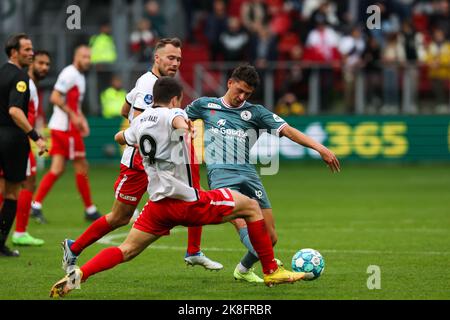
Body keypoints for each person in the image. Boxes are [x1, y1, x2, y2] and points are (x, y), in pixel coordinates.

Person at [49, 77, 305, 297]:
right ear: (174, 99)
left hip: (158, 205)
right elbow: (178, 122)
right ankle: (271, 270)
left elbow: (120, 137)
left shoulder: (139, 121)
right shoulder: (175, 114)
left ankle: (79, 274)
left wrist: (135, 140)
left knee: (126, 249)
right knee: (250, 206)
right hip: (187, 203)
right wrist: (186, 129)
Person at [59, 38, 221, 274]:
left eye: (179, 59)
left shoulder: (158, 84)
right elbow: (138, 119)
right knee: (119, 216)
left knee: (192, 189)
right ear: (157, 58)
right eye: (170, 58)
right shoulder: (148, 84)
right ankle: (74, 247)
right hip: (139, 161)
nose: (175, 63)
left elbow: (125, 109)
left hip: (160, 158)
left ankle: (193, 250)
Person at [183, 64, 340, 283]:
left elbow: (288, 131)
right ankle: (272, 265)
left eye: (247, 93)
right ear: (230, 83)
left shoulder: (255, 112)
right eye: (239, 90)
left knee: (270, 237)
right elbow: (175, 117)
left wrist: (320, 148)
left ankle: (244, 269)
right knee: (243, 219)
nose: (241, 96)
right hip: (221, 174)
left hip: (248, 173)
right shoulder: (204, 105)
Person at [31, 45, 102, 223]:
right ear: (76, 56)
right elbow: (55, 97)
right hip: (66, 129)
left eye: (89, 57)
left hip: (66, 128)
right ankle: (90, 210)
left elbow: (75, 105)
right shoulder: (69, 74)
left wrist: (81, 120)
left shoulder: (80, 76)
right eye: (84, 57)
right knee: (81, 166)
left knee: (57, 168)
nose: (87, 60)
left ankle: (36, 205)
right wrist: (73, 117)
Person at [0, 33, 47, 257]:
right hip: (12, 139)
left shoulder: (1, 72)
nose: (31, 53)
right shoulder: (20, 77)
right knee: (12, 192)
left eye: (32, 49)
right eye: (27, 50)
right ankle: (1, 243)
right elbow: (15, 110)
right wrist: (35, 135)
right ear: (14, 52)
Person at [11, 50, 51, 246]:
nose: (44, 67)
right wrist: (34, 137)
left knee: (15, 183)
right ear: (31, 63)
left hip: (21, 138)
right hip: (21, 139)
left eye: (47, 64)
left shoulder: (30, 84)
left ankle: (19, 231)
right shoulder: (24, 82)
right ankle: (19, 232)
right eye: (40, 63)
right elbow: (18, 112)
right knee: (24, 183)